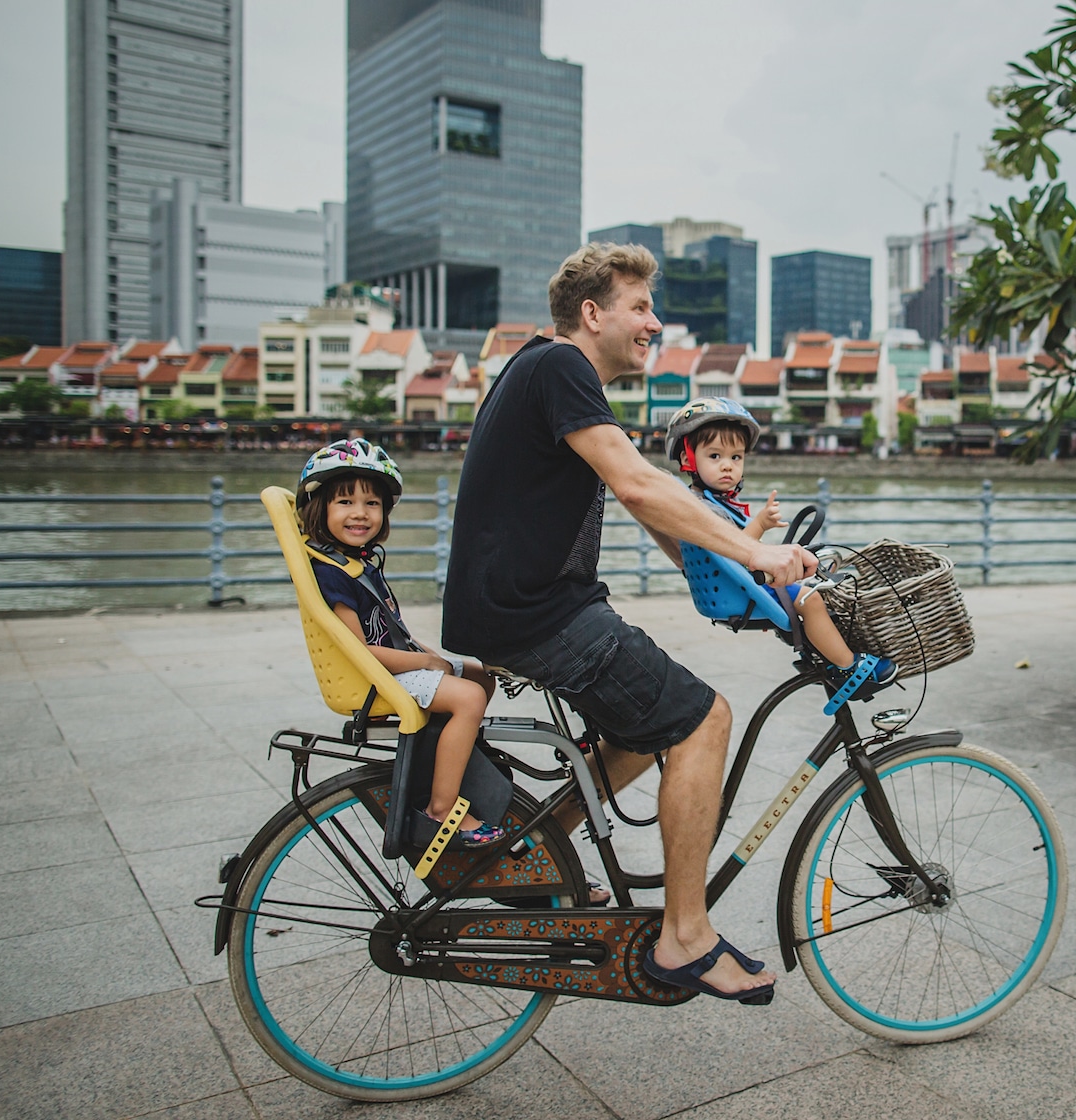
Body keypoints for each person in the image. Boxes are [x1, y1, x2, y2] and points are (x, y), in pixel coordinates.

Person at [442, 243, 817, 1004]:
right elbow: (640, 483)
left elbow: (633, 495)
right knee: (701, 719)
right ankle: (685, 937)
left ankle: (535, 849)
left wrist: (724, 574)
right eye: (639, 307)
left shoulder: (540, 368)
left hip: (523, 605)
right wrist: (755, 550)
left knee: (637, 731)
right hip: (535, 613)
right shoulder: (559, 368)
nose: (654, 322)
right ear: (593, 313)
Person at [298, 438, 503, 848]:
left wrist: (429, 655)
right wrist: (425, 665)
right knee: (468, 699)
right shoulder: (333, 575)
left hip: (388, 666)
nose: (360, 513)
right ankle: (441, 809)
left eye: (372, 504)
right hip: (371, 676)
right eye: (345, 503)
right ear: (320, 509)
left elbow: (392, 632)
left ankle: (452, 756)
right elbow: (360, 650)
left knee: (481, 676)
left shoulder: (358, 564)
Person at [664, 397, 898, 693]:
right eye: (714, 456)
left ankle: (821, 651)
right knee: (810, 598)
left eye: (736, 458)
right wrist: (760, 524)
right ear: (689, 459)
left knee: (811, 583)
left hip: (736, 585)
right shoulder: (705, 510)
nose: (727, 466)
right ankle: (848, 667)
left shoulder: (708, 503)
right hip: (736, 592)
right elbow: (735, 551)